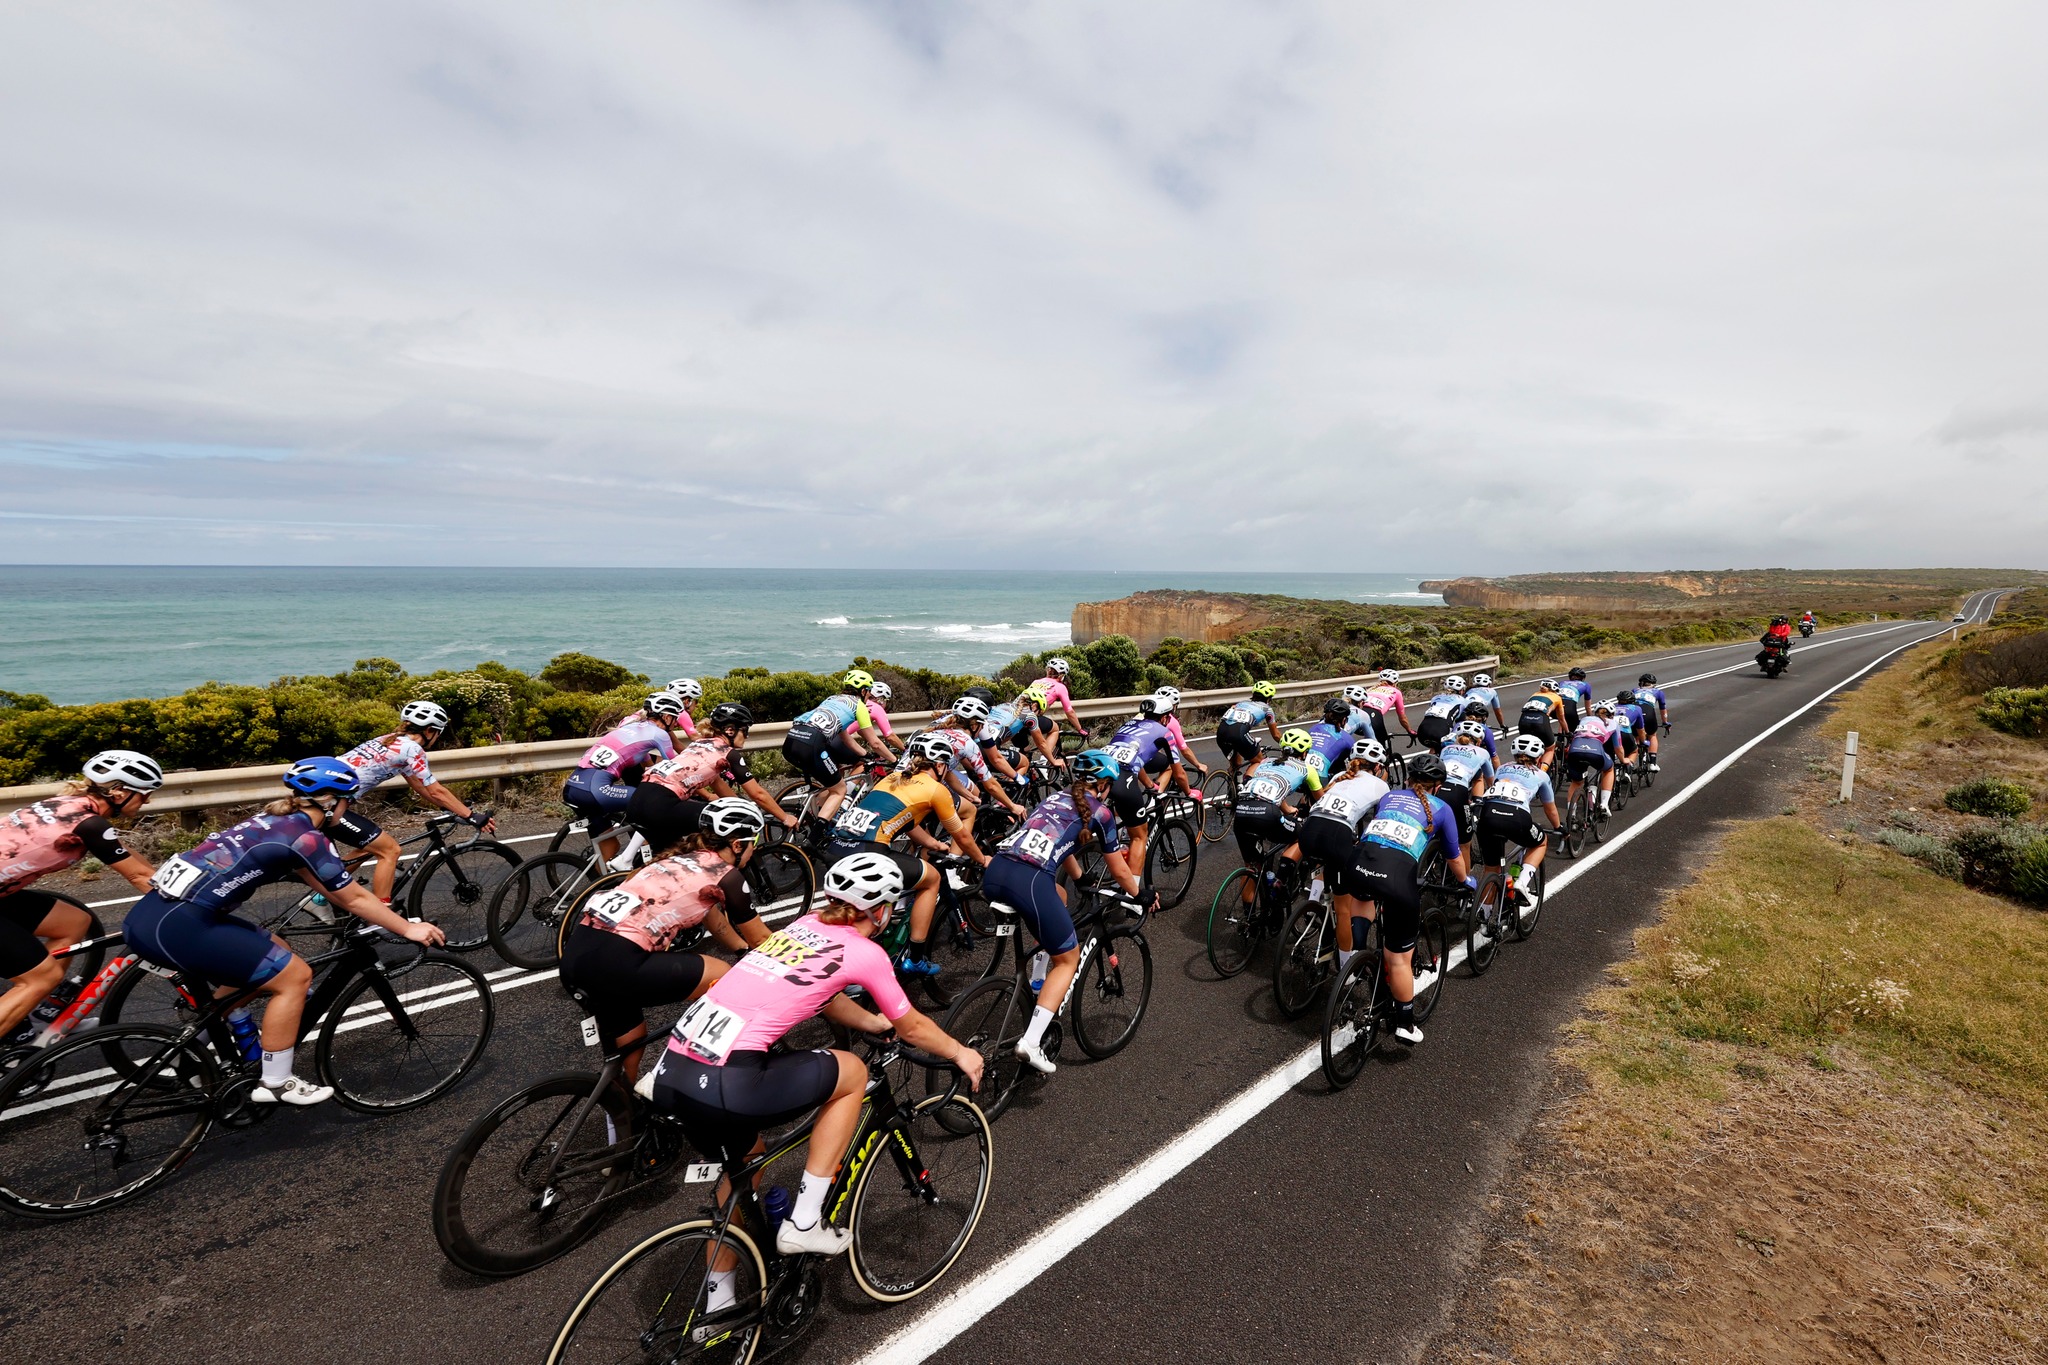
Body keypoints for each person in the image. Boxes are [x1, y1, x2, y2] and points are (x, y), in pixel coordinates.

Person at [643, 851, 984, 1264]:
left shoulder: (804, 924)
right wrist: (961, 1052)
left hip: (671, 1073)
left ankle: (719, 1297)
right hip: (726, 1079)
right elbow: (912, 1028)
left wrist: (872, 1023)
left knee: (746, 1169)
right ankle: (805, 1223)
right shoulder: (865, 951)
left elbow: (824, 993)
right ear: (879, 910)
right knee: (851, 1071)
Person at [121, 758, 444, 1105]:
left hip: (151, 916)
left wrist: (374, 913)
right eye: (348, 800)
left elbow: (334, 888)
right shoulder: (306, 838)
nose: (349, 808)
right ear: (330, 802)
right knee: (295, 977)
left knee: (276, 947)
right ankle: (276, 1083)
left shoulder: (273, 821)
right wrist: (407, 928)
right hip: (180, 925)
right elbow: (353, 898)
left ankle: (197, 1039)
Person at [558, 798, 775, 1082]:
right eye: (753, 843)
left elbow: (713, 918)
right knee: (724, 977)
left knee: (631, 1036)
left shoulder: (675, 860)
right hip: (616, 961)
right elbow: (762, 939)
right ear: (737, 845)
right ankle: (697, 1067)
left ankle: (621, 1099)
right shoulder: (725, 875)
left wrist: (741, 949)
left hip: (576, 956)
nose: (753, 851)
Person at [983, 750, 1156, 1075]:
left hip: (997, 872)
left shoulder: (1055, 798)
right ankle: (1030, 1043)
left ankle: (1037, 979)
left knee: (1059, 896)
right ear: (1103, 785)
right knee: (1067, 959)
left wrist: (1079, 877)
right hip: (1029, 881)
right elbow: (1120, 871)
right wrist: (1141, 894)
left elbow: (1058, 843)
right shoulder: (1101, 813)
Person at [1, 750, 163, 1042]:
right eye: (143, 794)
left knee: (73, 922)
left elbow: (124, 854)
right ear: (118, 792)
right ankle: (16, 1019)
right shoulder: (89, 824)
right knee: (42, 977)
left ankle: (39, 1015)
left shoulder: (70, 804)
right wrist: (185, 903)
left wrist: (163, 878)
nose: (147, 801)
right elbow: (137, 876)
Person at [822, 732, 988, 978]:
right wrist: (982, 860)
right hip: (868, 851)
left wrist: (932, 842)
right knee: (931, 879)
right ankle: (916, 958)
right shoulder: (936, 789)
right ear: (940, 765)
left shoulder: (893, 777)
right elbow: (962, 836)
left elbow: (904, 820)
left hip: (836, 848)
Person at [1346, 754, 1467, 1046]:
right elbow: (1453, 857)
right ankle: (1404, 1023)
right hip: (1396, 876)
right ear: (1438, 786)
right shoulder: (1441, 808)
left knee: (1363, 897)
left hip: (1358, 864)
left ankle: (1358, 957)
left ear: (1409, 779)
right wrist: (1466, 881)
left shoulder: (1390, 797)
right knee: (1399, 959)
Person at [334, 700, 495, 907]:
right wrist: (471, 816)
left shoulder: (388, 740)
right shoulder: (412, 749)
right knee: (390, 850)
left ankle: (320, 898)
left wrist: (450, 808)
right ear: (429, 731)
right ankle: (379, 916)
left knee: (370, 846)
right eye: (438, 733)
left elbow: (419, 786)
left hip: (321, 800)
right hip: (329, 806)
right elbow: (436, 790)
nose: (437, 738)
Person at [628, 702, 797, 852]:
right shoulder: (727, 754)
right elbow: (758, 794)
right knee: (723, 825)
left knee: (668, 861)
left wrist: (743, 807)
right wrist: (784, 817)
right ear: (730, 730)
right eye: (745, 730)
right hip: (661, 804)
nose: (747, 736)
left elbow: (718, 783)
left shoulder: (699, 743)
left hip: (639, 799)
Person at [1293, 738, 1391, 969]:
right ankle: (1347, 970)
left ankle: (1315, 901)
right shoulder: (1381, 785)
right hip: (1336, 836)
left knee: (1326, 864)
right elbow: (1379, 826)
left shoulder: (1339, 776)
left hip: (1309, 832)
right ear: (1378, 767)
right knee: (1344, 908)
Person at [564, 692, 690, 859]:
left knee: (610, 847)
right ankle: (636, 857)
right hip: (595, 791)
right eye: (675, 718)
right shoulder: (660, 734)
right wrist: (706, 793)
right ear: (666, 717)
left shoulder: (632, 727)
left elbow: (648, 766)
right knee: (651, 804)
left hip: (573, 787)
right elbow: (677, 768)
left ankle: (597, 876)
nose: (676, 723)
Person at [1472, 734, 1563, 923]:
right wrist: (1559, 827)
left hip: (1488, 817)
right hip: (1517, 817)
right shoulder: (1541, 775)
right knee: (1540, 842)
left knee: (1491, 868)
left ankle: (1484, 917)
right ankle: (1521, 881)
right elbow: (1550, 809)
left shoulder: (1502, 768)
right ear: (1539, 757)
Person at [782, 670, 887, 829]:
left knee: (831, 781)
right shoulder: (859, 705)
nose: (869, 696)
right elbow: (875, 742)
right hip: (811, 744)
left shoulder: (832, 699)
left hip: (791, 741)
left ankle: (820, 811)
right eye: (868, 692)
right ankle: (816, 836)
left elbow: (844, 736)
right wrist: (895, 760)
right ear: (863, 691)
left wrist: (865, 754)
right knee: (839, 790)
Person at [1230, 728, 1323, 906]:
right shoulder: (1307, 769)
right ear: (1305, 753)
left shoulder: (1265, 762)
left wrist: (1287, 809)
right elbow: (1321, 800)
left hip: (1241, 812)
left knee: (1252, 866)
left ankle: (1249, 917)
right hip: (1266, 814)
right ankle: (1280, 880)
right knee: (1301, 834)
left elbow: (1256, 783)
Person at [923, 697, 1026, 820]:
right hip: (929, 781)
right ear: (974, 725)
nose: (983, 728)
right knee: (969, 812)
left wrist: (969, 796)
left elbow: (947, 772)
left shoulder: (941, 722)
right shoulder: (968, 743)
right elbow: (991, 784)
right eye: (982, 725)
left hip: (916, 774)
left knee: (973, 794)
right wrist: (1012, 806)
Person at [1436, 719, 1496, 839]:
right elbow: (1490, 780)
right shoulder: (1483, 752)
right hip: (1457, 792)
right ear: (1479, 741)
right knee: (1464, 841)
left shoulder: (1446, 749)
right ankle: (1477, 802)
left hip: (1438, 786)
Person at [1216, 681, 1285, 782]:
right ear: (1269, 698)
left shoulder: (1240, 704)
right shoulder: (1267, 709)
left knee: (1236, 764)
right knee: (1259, 761)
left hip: (1221, 733)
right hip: (1238, 734)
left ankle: (1232, 786)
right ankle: (1246, 785)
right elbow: (1276, 735)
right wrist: (1286, 746)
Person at [1564, 699, 1623, 818]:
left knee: (1576, 782)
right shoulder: (1613, 723)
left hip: (1575, 749)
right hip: (1595, 750)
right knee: (1609, 769)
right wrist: (1624, 760)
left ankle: (1571, 814)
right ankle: (1604, 804)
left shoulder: (1585, 719)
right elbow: (1618, 748)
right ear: (1612, 715)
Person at [1302, 701, 1360, 788]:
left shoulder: (1313, 728)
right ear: (1344, 720)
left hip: (1302, 771)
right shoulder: (1345, 737)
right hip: (1319, 776)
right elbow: (1355, 761)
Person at [1029, 658, 1087, 741]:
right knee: (1055, 729)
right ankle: (1046, 750)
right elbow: (1069, 712)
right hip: (1030, 718)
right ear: (1062, 675)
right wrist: (1080, 729)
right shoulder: (1060, 687)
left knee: (1024, 746)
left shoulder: (1036, 682)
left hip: (1017, 714)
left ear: (1047, 671)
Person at [1358, 671, 1416, 748]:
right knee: (1381, 746)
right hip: (1374, 715)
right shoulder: (1396, 692)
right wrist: (1409, 730)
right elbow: (1402, 718)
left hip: (1358, 713)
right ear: (1395, 683)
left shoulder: (1371, 689)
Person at [1516, 680, 1568, 766]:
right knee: (1550, 749)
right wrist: (1567, 732)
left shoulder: (1534, 694)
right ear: (1555, 690)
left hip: (1523, 720)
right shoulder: (1557, 697)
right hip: (1540, 721)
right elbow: (1561, 720)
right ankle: (1542, 772)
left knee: (1526, 748)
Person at [1413, 675, 1469, 753]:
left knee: (1435, 748)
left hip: (1422, 731)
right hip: (1441, 731)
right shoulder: (1463, 701)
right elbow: (1461, 723)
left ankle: (1428, 759)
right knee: (1453, 749)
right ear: (1461, 690)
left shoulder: (1435, 698)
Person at [862, 681, 906, 760]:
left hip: (839, 738)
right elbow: (890, 737)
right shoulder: (876, 708)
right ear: (881, 700)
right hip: (841, 740)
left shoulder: (862, 705)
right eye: (886, 700)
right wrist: (905, 750)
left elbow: (861, 732)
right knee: (862, 762)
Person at [1637, 673, 1668, 771]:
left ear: (1641, 683)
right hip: (1649, 715)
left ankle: (1629, 764)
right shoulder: (1658, 692)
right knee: (1652, 735)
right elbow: (1663, 709)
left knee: (1636, 735)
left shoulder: (1634, 690)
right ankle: (1653, 763)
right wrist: (1665, 722)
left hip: (1636, 714)